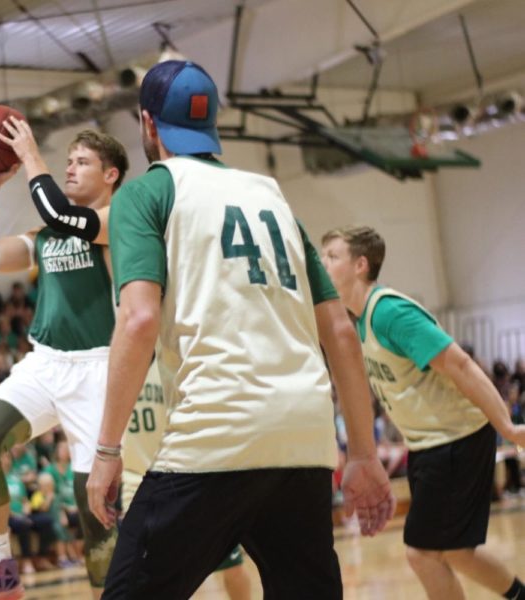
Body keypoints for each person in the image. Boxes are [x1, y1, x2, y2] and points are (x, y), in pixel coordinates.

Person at [83, 60, 394, 599]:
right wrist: (364, 454)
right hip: (302, 437)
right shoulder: (274, 198)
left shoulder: (147, 193)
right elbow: (341, 333)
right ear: (212, 125)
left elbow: (138, 319)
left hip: (218, 432)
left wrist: (108, 451)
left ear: (148, 124)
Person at [0, 128, 129, 600]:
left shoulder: (118, 221)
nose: (70, 167)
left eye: (82, 161)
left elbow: (66, 215)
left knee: (98, 517)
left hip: (100, 370)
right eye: (67, 159)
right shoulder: (46, 234)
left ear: (110, 175)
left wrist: (31, 154)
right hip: (46, 364)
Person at [321, 225, 525, 600]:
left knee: (422, 554)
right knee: (455, 553)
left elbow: (461, 365)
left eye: (332, 256)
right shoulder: (361, 319)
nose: (322, 264)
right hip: (431, 445)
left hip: (455, 439)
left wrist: (508, 427)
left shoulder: (389, 313)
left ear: (360, 265)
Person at [120, 356, 251, 600]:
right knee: (157, 575)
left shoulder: (168, 361)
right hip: (141, 483)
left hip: (180, 477)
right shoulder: (121, 368)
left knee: (230, 567)